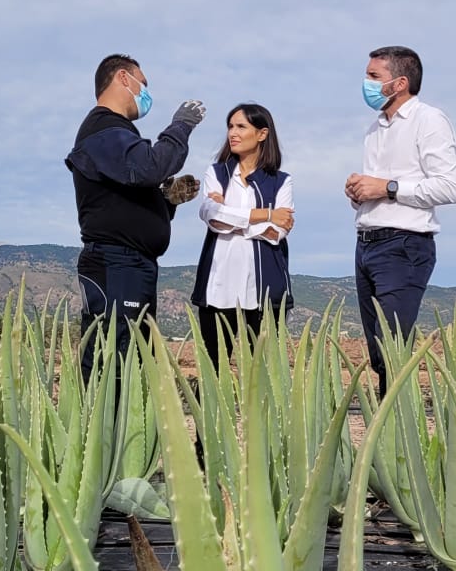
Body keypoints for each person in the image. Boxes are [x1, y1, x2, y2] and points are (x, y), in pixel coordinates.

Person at [66, 54, 206, 380]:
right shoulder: (103, 129)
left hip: (132, 266)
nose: (146, 92)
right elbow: (148, 167)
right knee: (114, 363)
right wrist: (180, 126)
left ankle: (120, 428)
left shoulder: (117, 136)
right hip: (117, 267)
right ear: (123, 79)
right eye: (144, 83)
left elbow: (126, 195)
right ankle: (106, 430)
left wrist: (165, 201)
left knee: (132, 362)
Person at [344, 45, 456, 394]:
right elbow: (380, 190)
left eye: (373, 76)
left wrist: (387, 187)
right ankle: (385, 436)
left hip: (404, 245)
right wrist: (360, 192)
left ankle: (395, 435)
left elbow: (449, 187)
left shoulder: (430, 121)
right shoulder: (374, 129)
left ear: (400, 82)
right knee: (379, 354)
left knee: (393, 352)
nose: (365, 83)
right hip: (366, 244)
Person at [190, 104, 296, 360]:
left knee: (264, 371)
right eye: (230, 126)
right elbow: (212, 217)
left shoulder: (282, 181)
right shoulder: (216, 173)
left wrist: (230, 216)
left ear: (262, 134)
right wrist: (267, 214)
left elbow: (277, 233)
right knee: (213, 369)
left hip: (264, 292)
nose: (232, 133)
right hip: (218, 288)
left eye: (241, 127)